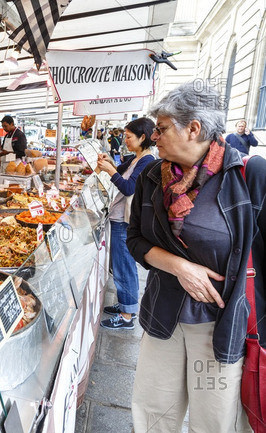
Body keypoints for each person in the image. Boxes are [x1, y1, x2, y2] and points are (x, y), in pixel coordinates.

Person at [127, 82, 266, 432]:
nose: (154, 137)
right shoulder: (150, 177)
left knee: (213, 421)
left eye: (161, 129)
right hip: (164, 317)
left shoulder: (249, 175)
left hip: (222, 325)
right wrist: (180, 266)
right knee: (153, 413)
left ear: (194, 128)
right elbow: (135, 240)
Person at [97, 117, 156, 330]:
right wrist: (109, 164)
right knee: (120, 265)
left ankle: (127, 315)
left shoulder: (147, 161)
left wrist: (110, 171)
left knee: (125, 267)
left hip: (125, 221)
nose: (125, 140)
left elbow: (129, 187)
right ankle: (125, 304)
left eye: (129, 137)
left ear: (143, 137)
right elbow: (119, 170)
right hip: (118, 217)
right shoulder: (136, 158)